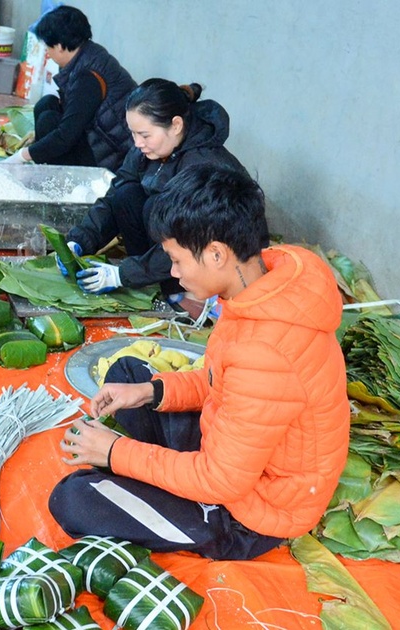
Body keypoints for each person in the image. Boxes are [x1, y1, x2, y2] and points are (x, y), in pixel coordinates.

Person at [49, 164, 351, 560]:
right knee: (127, 375)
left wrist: (115, 454)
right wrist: (149, 392)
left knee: (73, 499)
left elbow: (221, 479)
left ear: (216, 254)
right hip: (236, 456)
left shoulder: (267, 353)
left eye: (176, 260)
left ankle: (193, 515)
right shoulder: (261, 288)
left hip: (251, 512)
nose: (172, 273)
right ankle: (154, 467)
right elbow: (218, 381)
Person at [62, 79, 248, 297]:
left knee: (155, 205)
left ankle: (173, 292)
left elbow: (188, 239)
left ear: (176, 126)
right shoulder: (146, 150)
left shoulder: (204, 166)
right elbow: (115, 195)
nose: (137, 142)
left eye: (144, 135)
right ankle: (149, 280)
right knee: (125, 194)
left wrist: (121, 274)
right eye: (133, 133)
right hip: (171, 251)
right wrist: (81, 239)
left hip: (209, 260)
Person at [2, 5, 136, 171]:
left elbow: (66, 136)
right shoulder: (88, 54)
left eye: (48, 47)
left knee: (48, 122)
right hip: (97, 138)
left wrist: (22, 155)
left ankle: (62, 182)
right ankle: (47, 166)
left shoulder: (88, 79)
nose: (47, 53)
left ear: (59, 46)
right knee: (47, 104)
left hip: (112, 157)